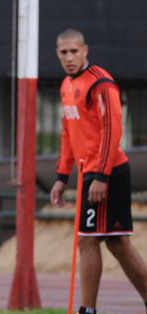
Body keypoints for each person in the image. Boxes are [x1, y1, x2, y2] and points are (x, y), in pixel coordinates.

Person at [50, 28, 147, 314]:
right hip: (87, 173)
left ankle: (87, 310)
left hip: (108, 172)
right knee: (118, 244)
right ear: (57, 53)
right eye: (63, 52)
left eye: (74, 51)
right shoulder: (66, 85)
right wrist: (60, 177)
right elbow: (68, 133)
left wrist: (101, 176)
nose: (69, 57)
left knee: (87, 241)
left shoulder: (101, 83)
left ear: (85, 50)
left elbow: (112, 131)